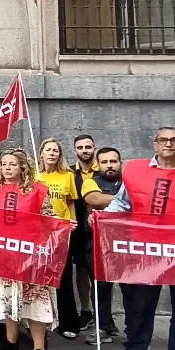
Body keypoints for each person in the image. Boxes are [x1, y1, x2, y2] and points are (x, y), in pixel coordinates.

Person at [85, 127, 175, 350]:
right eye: (164, 140)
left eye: (174, 140)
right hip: (146, 252)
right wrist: (104, 220)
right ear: (155, 144)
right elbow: (120, 203)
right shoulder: (136, 171)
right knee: (140, 307)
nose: (169, 144)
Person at [0, 149, 65, 350]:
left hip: (31, 256)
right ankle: (11, 341)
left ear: (22, 167)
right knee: (8, 299)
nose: (7, 168)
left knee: (34, 301)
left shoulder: (38, 191)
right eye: (3, 164)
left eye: (12, 164)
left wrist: (64, 224)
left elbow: (50, 216)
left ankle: (39, 348)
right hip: (3, 255)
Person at [36, 138, 81, 340]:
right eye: (48, 150)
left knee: (63, 278)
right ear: (42, 153)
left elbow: (70, 203)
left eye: (56, 150)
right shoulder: (35, 176)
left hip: (62, 233)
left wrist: (72, 223)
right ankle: (40, 320)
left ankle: (68, 321)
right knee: (40, 278)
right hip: (40, 232)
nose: (52, 153)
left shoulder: (67, 176)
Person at [80, 147, 123, 345]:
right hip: (98, 243)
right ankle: (103, 328)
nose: (110, 165)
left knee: (132, 289)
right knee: (100, 287)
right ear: (99, 164)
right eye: (105, 162)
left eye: (113, 161)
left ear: (120, 162)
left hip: (126, 244)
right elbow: (93, 198)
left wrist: (109, 204)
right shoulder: (91, 181)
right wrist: (128, 201)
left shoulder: (130, 182)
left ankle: (134, 333)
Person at [71, 134, 97, 333]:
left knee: (99, 273)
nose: (85, 150)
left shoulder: (104, 169)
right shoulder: (70, 173)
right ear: (75, 151)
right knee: (81, 270)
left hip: (100, 230)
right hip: (79, 228)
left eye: (88, 146)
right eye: (80, 147)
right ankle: (86, 310)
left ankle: (101, 312)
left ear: (94, 148)